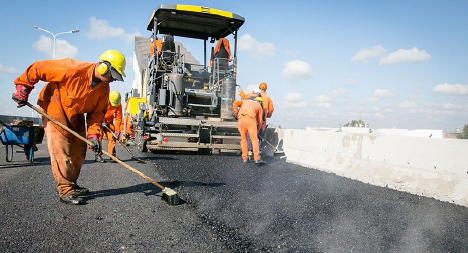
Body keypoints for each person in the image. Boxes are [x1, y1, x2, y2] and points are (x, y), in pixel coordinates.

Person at [12, 50, 126, 205]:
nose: (113, 80)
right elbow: (38, 68)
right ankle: (65, 190)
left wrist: (93, 136)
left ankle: (72, 183)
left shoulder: (104, 88)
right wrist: (23, 89)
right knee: (61, 150)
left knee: (79, 151)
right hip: (55, 108)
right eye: (113, 75)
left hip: (76, 113)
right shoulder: (72, 69)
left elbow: (96, 114)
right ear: (103, 67)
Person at [239, 82, 274, 157]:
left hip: (252, 118)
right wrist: (268, 115)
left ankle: (250, 150)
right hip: (262, 119)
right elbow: (271, 109)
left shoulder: (252, 95)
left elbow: (244, 97)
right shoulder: (268, 97)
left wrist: (240, 91)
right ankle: (259, 150)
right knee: (260, 135)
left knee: (250, 134)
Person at [232, 97, 266, 164]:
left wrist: (236, 112)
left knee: (244, 140)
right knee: (254, 140)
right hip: (250, 120)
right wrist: (258, 130)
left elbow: (235, 102)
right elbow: (259, 121)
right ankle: (257, 158)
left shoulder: (245, 101)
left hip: (241, 120)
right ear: (260, 102)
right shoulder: (259, 106)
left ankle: (245, 158)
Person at [98, 91, 123, 163]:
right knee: (99, 137)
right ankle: (98, 155)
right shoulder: (103, 101)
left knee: (112, 137)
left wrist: (117, 131)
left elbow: (118, 118)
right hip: (100, 121)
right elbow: (98, 111)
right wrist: (102, 120)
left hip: (109, 122)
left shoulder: (118, 104)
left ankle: (112, 155)